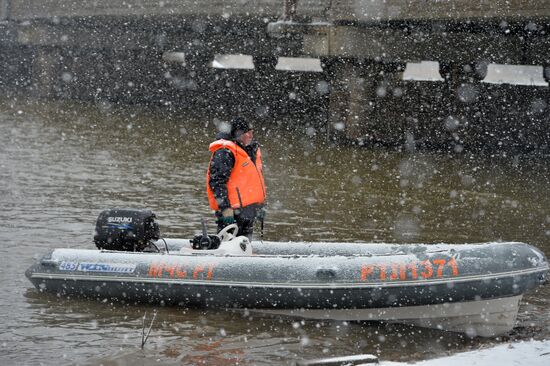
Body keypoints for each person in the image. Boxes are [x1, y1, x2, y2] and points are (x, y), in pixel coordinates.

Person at [206, 117, 266, 240]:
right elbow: (217, 182)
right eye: (247, 133)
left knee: (244, 246)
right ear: (238, 134)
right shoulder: (225, 152)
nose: (250, 136)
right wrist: (226, 208)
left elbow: (253, 182)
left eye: (251, 132)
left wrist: (260, 206)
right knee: (229, 248)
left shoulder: (251, 151)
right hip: (231, 214)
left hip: (247, 213)